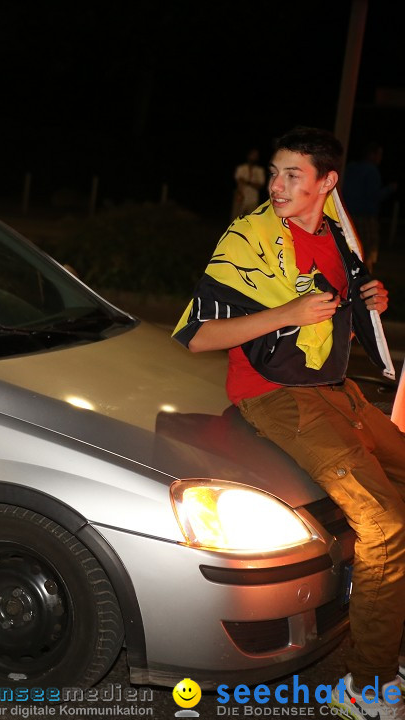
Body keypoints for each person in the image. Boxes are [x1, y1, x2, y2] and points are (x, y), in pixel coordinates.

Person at [174, 126, 405, 719]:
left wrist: (369, 297)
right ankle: (367, 686)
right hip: (276, 396)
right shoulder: (250, 237)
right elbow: (198, 336)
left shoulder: (336, 232)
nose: (276, 185)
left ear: (327, 184)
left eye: (292, 175)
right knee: (385, 526)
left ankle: (383, 620)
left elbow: (338, 293)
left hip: (335, 389)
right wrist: (288, 312)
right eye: (275, 173)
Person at [342, 142, 397, 272]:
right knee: (367, 251)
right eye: (379, 154)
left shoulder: (350, 167)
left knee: (350, 249)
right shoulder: (371, 170)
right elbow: (374, 195)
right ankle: (364, 279)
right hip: (364, 217)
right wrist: (390, 189)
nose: (380, 158)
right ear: (372, 155)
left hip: (347, 215)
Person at [231, 147, 266, 218]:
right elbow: (239, 182)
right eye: (252, 155)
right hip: (241, 197)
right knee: (236, 220)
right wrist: (239, 194)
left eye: (256, 155)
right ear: (248, 155)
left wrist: (246, 182)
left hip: (253, 199)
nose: (254, 157)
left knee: (251, 221)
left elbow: (259, 186)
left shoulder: (260, 170)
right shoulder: (241, 168)